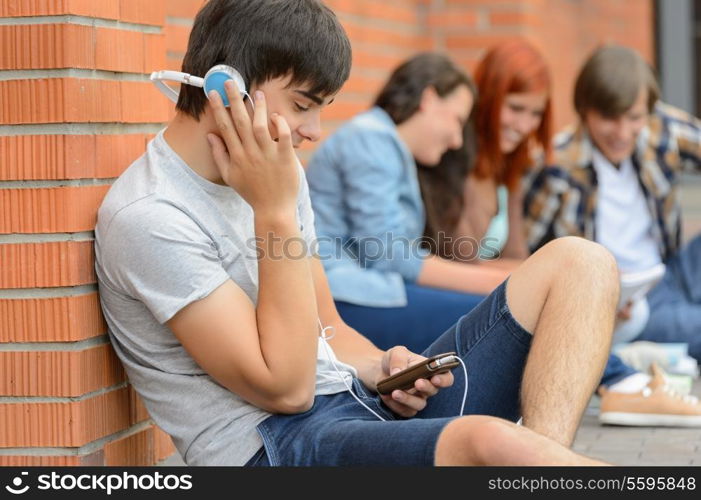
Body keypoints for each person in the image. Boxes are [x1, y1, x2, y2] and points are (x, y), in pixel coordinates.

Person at [95, 0, 618, 466]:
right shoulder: (151, 217)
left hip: (356, 407)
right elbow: (289, 389)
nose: (315, 130)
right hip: (274, 444)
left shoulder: (281, 173)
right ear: (225, 90)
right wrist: (274, 212)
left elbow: (328, 327)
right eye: (302, 105)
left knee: (582, 263)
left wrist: (382, 366)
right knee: (489, 444)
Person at [523, 44, 701, 426]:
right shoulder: (557, 165)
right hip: (625, 306)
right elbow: (526, 258)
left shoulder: (659, 129)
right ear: (585, 109)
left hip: (668, 269)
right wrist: (587, 300)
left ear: (647, 110)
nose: (623, 132)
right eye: (608, 118)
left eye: (633, 117)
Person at [307, 54, 513, 353]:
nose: (457, 140)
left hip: (366, 293)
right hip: (343, 301)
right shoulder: (371, 138)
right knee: (500, 316)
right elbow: (389, 253)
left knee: (496, 313)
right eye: (458, 120)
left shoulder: (384, 143)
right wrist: (498, 283)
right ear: (428, 99)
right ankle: (607, 375)